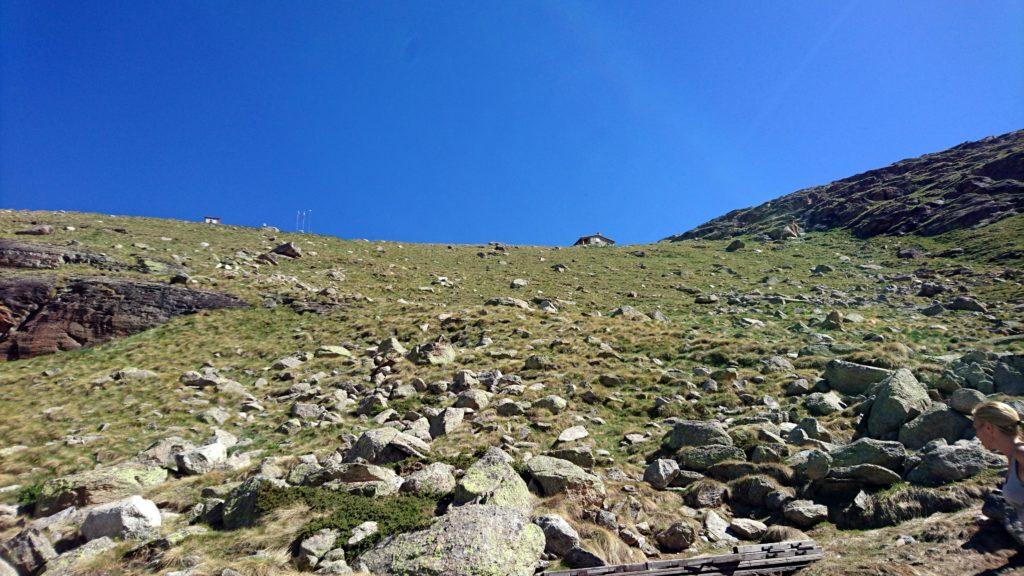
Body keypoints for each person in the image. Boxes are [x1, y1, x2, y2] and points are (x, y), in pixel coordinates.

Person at [973, 400, 1024, 547]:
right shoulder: (1013, 457)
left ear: (989, 428)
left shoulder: (1021, 454)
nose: (976, 434)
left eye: (977, 427)